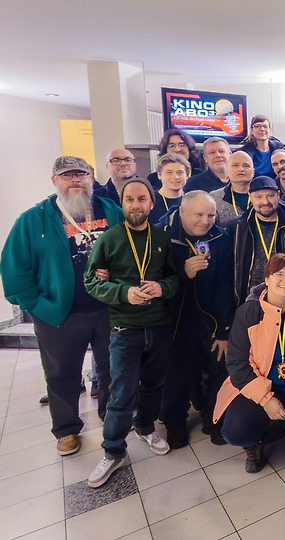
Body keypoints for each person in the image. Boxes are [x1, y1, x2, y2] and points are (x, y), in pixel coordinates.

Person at [1, 156, 121, 456]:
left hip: (108, 309)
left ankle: (112, 417)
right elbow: (15, 267)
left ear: (91, 178)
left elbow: (129, 251)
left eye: (82, 174)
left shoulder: (111, 211)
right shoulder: (33, 220)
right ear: (54, 180)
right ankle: (66, 429)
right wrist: (37, 305)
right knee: (61, 373)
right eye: (67, 175)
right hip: (60, 314)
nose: (75, 180)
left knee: (112, 368)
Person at [83, 178, 179, 488]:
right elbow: (91, 281)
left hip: (159, 326)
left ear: (152, 203)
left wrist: (162, 287)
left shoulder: (162, 237)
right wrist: (124, 293)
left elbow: (174, 279)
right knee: (121, 392)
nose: (136, 205)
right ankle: (113, 451)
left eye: (141, 199)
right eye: (129, 200)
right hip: (125, 329)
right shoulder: (109, 239)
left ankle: (146, 427)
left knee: (154, 385)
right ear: (122, 204)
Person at [213, 253, 285, 473]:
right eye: (279, 274)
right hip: (262, 387)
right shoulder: (248, 313)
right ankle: (254, 443)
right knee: (236, 430)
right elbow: (237, 364)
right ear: (266, 279)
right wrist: (266, 400)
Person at [158, 191, 234, 447]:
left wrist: (224, 331)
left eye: (211, 215)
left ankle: (215, 419)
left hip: (209, 317)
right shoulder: (162, 236)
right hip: (173, 319)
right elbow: (155, 281)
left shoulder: (220, 238)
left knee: (218, 365)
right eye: (199, 214)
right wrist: (183, 273)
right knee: (176, 372)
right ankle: (175, 423)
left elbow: (226, 285)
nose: (206, 221)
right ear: (181, 212)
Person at [231, 176, 285, 305]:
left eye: (270, 196)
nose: (265, 201)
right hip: (249, 299)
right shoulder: (239, 227)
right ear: (250, 197)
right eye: (258, 197)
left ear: (278, 194)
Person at [212, 151, 255, 227]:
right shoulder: (214, 198)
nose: (241, 169)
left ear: (253, 172)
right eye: (235, 165)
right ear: (226, 172)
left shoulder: (264, 197)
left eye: (246, 165)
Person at [148, 153, 189, 224]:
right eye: (169, 172)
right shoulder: (149, 201)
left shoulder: (193, 200)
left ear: (187, 175)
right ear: (159, 175)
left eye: (180, 172)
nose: (175, 177)